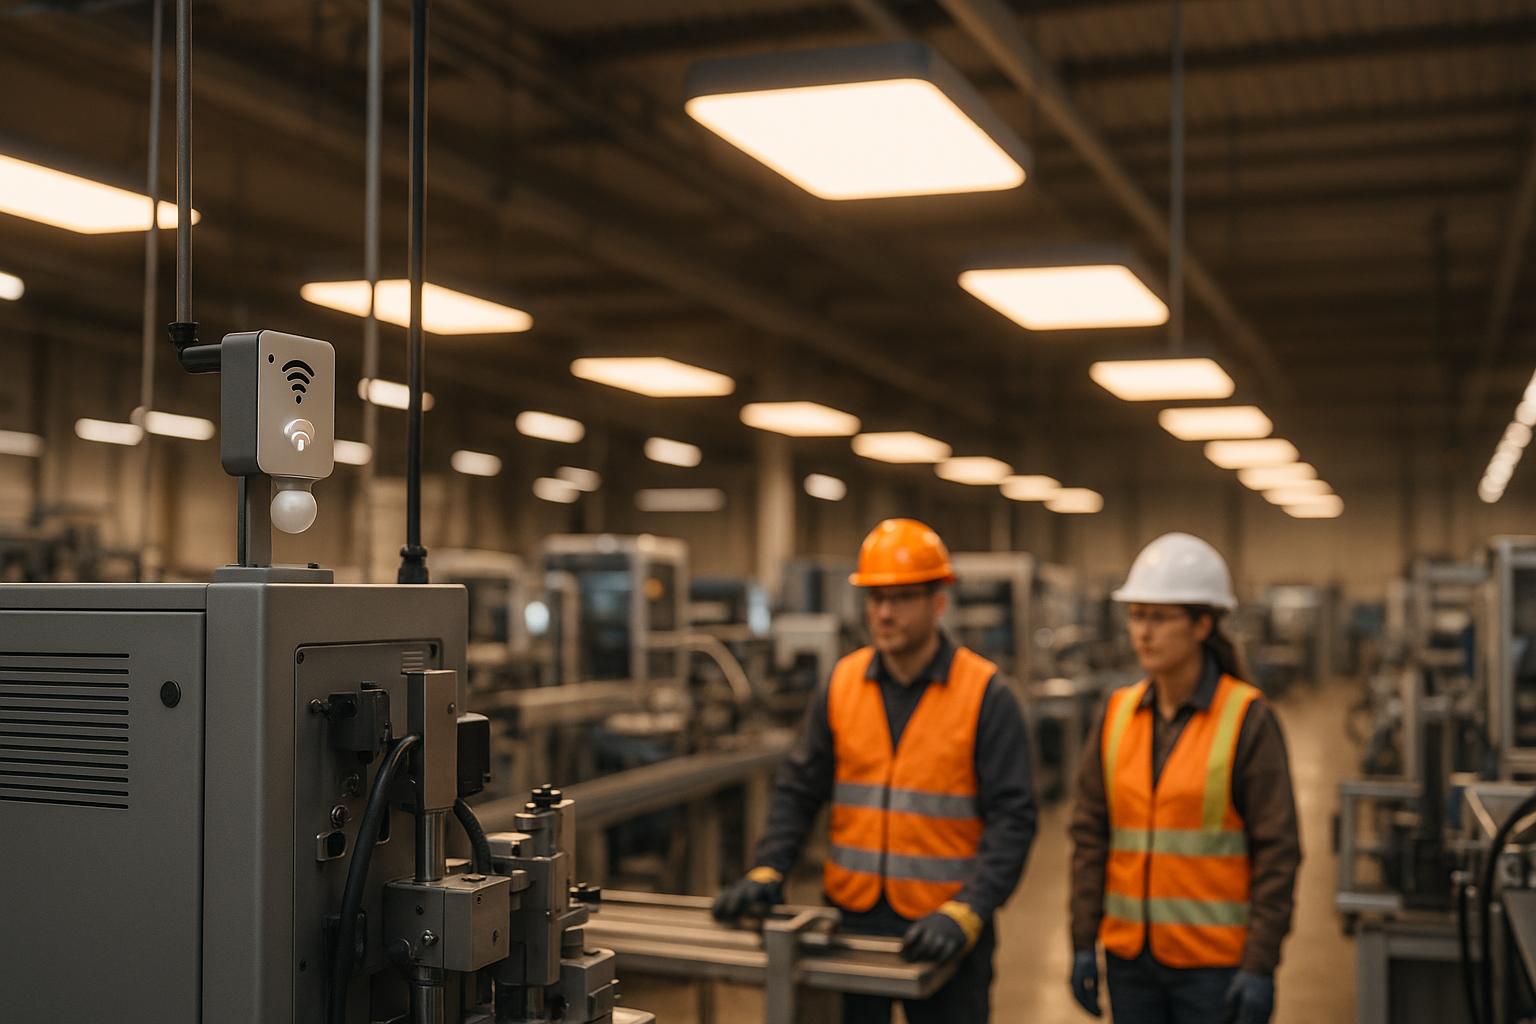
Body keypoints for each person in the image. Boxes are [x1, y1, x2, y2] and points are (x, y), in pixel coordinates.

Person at [712, 518, 1037, 1023]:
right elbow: (799, 787)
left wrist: (970, 910)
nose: (884, 613)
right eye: (876, 598)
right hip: (852, 921)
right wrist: (769, 867)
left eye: (902, 598)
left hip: (946, 926)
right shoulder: (842, 683)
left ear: (938, 602)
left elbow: (1013, 819)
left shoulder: (985, 694)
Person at [1068, 532, 1301, 1024]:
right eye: (1136, 616)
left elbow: (1277, 851)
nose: (1143, 633)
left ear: (1202, 624)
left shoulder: (1247, 719)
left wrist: (1260, 963)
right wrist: (1082, 939)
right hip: (1131, 962)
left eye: (1159, 617)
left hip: (1214, 967)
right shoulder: (1116, 713)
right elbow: (1090, 834)